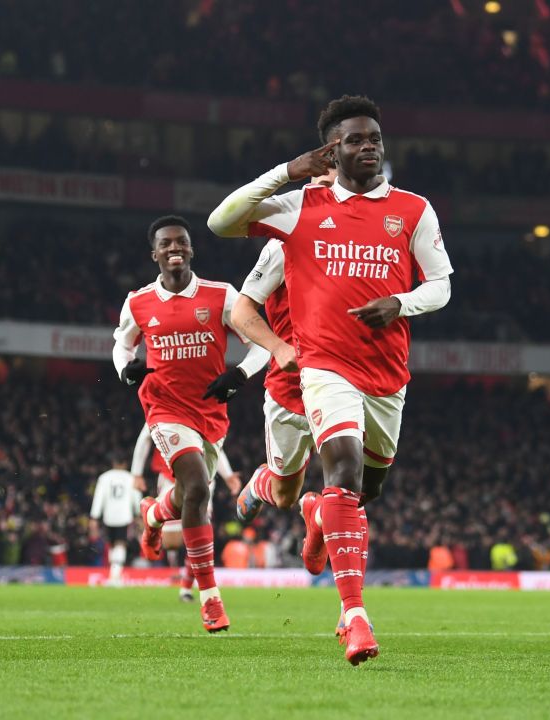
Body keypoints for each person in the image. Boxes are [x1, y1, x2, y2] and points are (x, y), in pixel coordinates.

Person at [208, 95, 453, 664]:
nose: (369, 147)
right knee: (339, 470)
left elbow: (442, 285)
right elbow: (221, 222)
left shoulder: (413, 210)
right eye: (355, 140)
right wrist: (286, 172)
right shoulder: (299, 208)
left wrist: (401, 302)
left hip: (387, 375)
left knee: (366, 490)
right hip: (321, 367)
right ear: (331, 151)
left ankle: (319, 519)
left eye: (375, 139)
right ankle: (355, 616)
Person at [112, 215, 269, 633]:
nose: (174, 248)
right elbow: (121, 343)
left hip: (210, 413)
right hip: (164, 407)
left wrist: (239, 375)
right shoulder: (139, 301)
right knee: (198, 487)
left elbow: (261, 344)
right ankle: (210, 599)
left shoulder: (221, 295)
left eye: (180, 242)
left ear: (191, 249)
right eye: (165, 244)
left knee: (187, 496)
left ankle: (152, 515)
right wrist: (126, 370)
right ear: (155, 253)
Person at [130, 422, 242, 601]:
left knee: (200, 532)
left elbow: (214, 445)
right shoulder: (165, 399)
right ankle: (153, 515)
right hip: (170, 475)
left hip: (204, 478)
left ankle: (187, 589)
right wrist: (136, 472)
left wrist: (227, 475)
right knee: (172, 543)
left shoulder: (205, 404)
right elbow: (145, 436)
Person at [89, 458, 142, 586]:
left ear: (113, 463)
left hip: (109, 515)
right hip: (124, 516)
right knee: (120, 544)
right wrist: (138, 513)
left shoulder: (104, 477)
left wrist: (94, 517)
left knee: (112, 544)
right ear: (125, 464)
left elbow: (98, 497)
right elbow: (136, 497)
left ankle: (114, 575)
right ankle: (115, 575)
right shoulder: (130, 478)